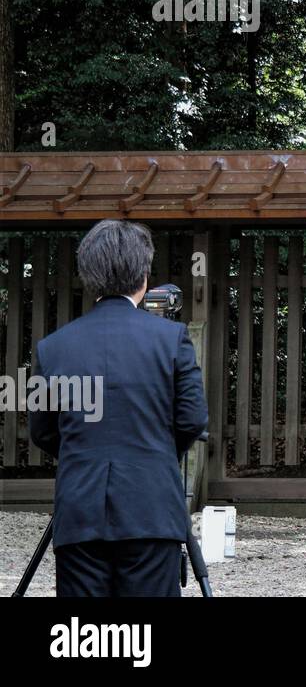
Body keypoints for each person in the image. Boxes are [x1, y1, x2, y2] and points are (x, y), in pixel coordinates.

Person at [29, 220, 208, 597]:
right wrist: (156, 450)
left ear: (89, 276)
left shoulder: (53, 347)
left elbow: (43, 432)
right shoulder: (171, 338)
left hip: (80, 508)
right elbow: (193, 419)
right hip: (152, 505)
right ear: (143, 275)